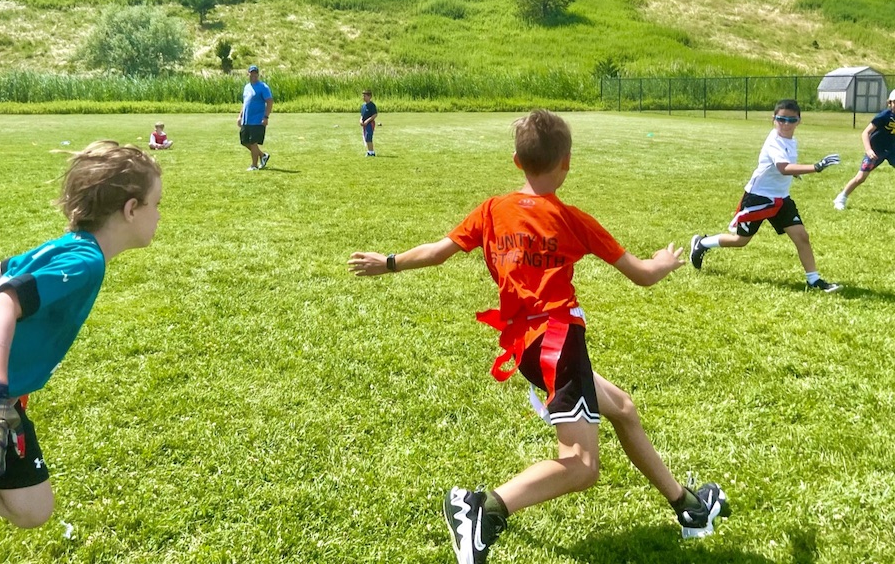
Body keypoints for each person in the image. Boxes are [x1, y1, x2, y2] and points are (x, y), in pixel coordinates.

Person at [348, 109, 729, 564]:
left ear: (516, 161)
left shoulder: (492, 210)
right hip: (558, 344)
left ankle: (688, 506)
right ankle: (483, 509)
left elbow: (436, 252)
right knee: (582, 466)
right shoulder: (571, 219)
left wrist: (388, 262)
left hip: (526, 346)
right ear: (567, 163)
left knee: (623, 409)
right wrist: (663, 264)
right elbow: (643, 275)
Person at [0, 141, 162, 564]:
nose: (159, 215)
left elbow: (3, 269)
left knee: (33, 509)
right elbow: (0, 305)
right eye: (156, 204)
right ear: (131, 209)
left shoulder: (74, 246)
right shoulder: (84, 261)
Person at [690, 99, 841, 292]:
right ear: (773, 119)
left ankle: (814, 281)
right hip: (759, 198)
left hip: (781, 198)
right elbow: (783, 167)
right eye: (781, 119)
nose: (785, 124)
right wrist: (816, 167)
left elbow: (784, 167)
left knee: (802, 236)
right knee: (741, 241)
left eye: (791, 120)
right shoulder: (774, 142)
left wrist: (796, 172)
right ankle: (702, 243)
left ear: (799, 121)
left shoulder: (791, 141)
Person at [833, 89, 895, 210]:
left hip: (891, 149)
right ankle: (841, 198)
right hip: (876, 150)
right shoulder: (884, 116)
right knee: (861, 177)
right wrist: (868, 150)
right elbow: (865, 133)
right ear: (890, 103)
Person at [237, 65, 273, 171]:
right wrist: (240, 116)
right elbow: (245, 103)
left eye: (255, 73)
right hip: (246, 120)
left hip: (257, 120)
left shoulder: (263, 87)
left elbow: (269, 102)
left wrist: (266, 117)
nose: (253, 75)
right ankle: (263, 155)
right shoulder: (247, 87)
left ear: (258, 74)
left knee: (253, 143)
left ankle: (254, 165)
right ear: (248, 74)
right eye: (251, 73)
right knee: (244, 142)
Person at [360, 90, 378, 157]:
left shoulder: (372, 105)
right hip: (364, 124)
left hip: (370, 123)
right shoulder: (363, 106)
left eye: (365, 96)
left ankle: (372, 152)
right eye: (363, 96)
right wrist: (360, 120)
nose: (363, 97)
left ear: (369, 96)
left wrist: (367, 121)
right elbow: (362, 115)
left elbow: (375, 115)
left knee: (368, 137)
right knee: (365, 137)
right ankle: (369, 151)